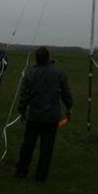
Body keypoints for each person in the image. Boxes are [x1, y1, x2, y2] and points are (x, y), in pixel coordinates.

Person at [15, 45, 73, 182]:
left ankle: (21, 171)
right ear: (49, 57)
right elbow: (66, 93)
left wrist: (22, 112)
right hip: (51, 118)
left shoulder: (31, 74)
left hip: (35, 117)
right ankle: (41, 176)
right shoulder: (59, 72)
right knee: (47, 148)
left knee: (28, 145)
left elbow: (24, 96)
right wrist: (69, 107)